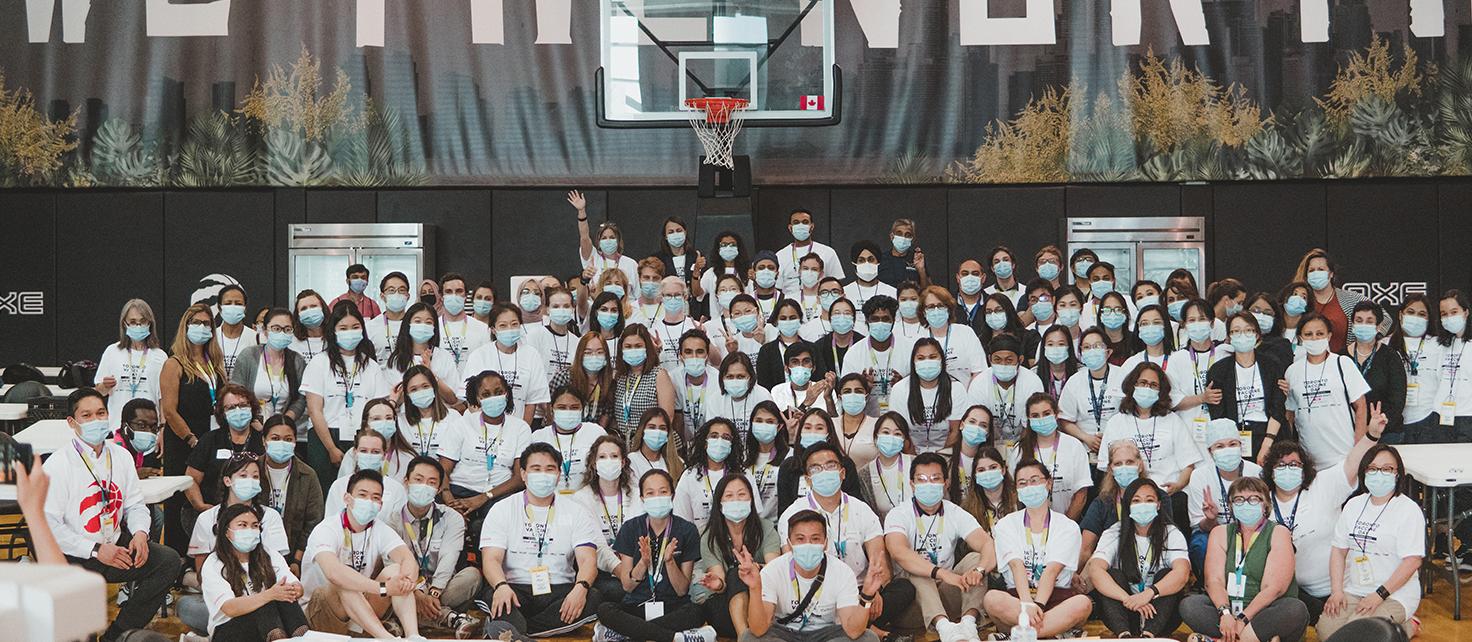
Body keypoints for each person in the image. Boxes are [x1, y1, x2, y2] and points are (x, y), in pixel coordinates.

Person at [46, 388, 182, 642]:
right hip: (75, 555)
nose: (96, 420)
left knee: (168, 561)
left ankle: (118, 635)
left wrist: (141, 533)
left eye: (100, 413)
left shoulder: (120, 456)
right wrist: (96, 549)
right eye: (86, 415)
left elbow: (135, 503)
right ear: (72, 423)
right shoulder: (58, 464)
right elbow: (50, 527)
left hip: (115, 545)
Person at [776, 443, 914, 637]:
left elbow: (879, 559)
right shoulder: (792, 515)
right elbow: (791, 567)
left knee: (904, 588)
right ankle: (866, 629)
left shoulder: (861, 509)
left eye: (831, 465)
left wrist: (874, 590)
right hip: (817, 593)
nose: (824, 472)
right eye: (816, 468)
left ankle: (848, 627)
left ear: (842, 473)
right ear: (808, 479)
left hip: (861, 589)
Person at [479, 442, 603, 638]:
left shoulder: (576, 511)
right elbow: (491, 559)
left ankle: (514, 633)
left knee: (593, 597)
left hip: (559, 590)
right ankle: (519, 631)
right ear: (523, 474)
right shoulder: (502, 509)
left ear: (558, 474)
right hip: (514, 588)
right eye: (536, 469)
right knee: (495, 597)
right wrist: (501, 586)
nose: (543, 474)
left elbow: (588, 561)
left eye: (550, 469)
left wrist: (581, 588)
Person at [882, 452, 995, 641]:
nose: (929, 484)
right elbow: (898, 551)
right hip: (912, 604)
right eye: (922, 479)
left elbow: (987, 543)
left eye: (935, 479)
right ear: (912, 484)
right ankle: (944, 628)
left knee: (975, 560)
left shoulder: (954, 512)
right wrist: (941, 573)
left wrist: (979, 570)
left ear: (946, 483)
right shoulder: (898, 514)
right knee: (917, 569)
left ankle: (968, 624)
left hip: (947, 593)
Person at [1180, 477, 1308, 642]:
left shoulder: (1278, 532)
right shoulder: (1220, 533)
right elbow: (1214, 580)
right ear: (1231, 506)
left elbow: (1274, 588)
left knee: (1294, 609)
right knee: (1190, 606)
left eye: (1254, 499)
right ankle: (1253, 639)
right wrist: (1225, 614)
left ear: (1265, 505)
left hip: (1264, 614)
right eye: (1239, 499)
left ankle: (1224, 639)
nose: (1246, 504)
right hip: (1228, 614)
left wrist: (1243, 619)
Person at [1316, 445, 1425, 639]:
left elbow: (1413, 561)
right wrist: (1337, 591)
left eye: (1387, 469)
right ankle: (1399, 625)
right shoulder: (1353, 505)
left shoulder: (1408, 509)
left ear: (1398, 474)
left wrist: (1378, 595)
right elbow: (1338, 550)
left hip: (1394, 594)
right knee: (1326, 632)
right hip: (1356, 589)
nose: (1379, 474)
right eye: (1373, 468)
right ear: (1364, 472)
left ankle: (1403, 627)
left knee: (1358, 633)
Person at [594, 468, 715, 642]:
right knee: (605, 609)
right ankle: (673, 638)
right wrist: (643, 563)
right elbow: (627, 586)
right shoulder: (630, 528)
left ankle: (631, 635)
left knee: (697, 612)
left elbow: (682, 590)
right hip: (637, 605)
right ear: (642, 498)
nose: (657, 497)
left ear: (672, 495)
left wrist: (670, 562)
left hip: (673, 606)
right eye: (650, 493)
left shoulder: (687, 530)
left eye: (663, 491)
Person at [300, 468, 423, 638]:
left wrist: (407, 581)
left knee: (396, 571)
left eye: (375, 498)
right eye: (363, 495)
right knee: (344, 581)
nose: (369, 501)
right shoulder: (326, 529)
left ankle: (413, 636)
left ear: (380, 505)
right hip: (321, 611)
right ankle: (385, 638)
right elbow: (333, 573)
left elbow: (406, 558)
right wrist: (383, 588)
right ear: (347, 498)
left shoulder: (379, 528)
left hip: (360, 609)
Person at [179, 452, 290, 635]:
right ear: (228, 481)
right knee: (186, 606)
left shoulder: (270, 517)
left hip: (264, 596)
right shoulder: (207, 519)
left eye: (255, 477)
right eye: (243, 476)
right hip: (224, 599)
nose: (250, 481)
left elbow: (278, 569)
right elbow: (202, 575)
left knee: (277, 608)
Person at [983, 460, 1093, 638]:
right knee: (992, 599)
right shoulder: (1005, 524)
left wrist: (1039, 606)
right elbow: (1016, 566)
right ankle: (1053, 633)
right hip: (1018, 599)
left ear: (1048, 484)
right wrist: (1027, 605)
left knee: (1082, 603)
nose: (1029, 487)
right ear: (1016, 490)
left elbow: (1052, 571)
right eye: (1022, 483)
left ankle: (1020, 635)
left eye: (1035, 480)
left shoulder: (1068, 526)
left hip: (1056, 598)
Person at [741, 509, 878, 642]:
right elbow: (758, 629)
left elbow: (853, 632)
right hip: (784, 633)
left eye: (815, 538)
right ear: (789, 544)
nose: (808, 544)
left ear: (825, 543)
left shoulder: (843, 572)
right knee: (749, 637)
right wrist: (755, 588)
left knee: (868, 638)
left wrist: (866, 596)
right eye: (800, 539)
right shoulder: (773, 570)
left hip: (827, 634)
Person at [388, 456, 483, 637]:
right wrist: (417, 593)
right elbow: (391, 562)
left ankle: (405, 619)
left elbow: (449, 557)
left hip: (442, 586)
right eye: (418, 480)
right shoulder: (393, 519)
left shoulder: (452, 518)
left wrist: (433, 593)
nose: (424, 486)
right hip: (407, 587)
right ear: (406, 482)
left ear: (439, 489)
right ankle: (448, 618)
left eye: (431, 482)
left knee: (472, 576)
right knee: (392, 577)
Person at [160, 303, 226, 556]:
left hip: (211, 439)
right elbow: (169, 411)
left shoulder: (215, 363)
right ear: (185, 327)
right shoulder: (174, 364)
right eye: (195, 323)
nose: (201, 328)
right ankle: (177, 561)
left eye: (206, 323)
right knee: (179, 500)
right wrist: (190, 439)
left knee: (207, 495)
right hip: (183, 441)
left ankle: (207, 555)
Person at [1086, 478, 1190, 638]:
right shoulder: (1114, 532)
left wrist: (1148, 594)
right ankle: (1124, 636)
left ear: (1159, 505)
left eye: (1149, 500)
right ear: (1127, 506)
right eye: (1136, 500)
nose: (1143, 505)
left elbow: (1182, 573)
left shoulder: (1171, 533)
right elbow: (1095, 570)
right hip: (1125, 610)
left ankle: (1149, 635)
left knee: (1167, 574)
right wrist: (1128, 599)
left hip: (1159, 610)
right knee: (1113, 575)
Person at [301, 304, 388, 489]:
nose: (350, 333)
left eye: (355, 327)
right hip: (325, 437)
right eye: (343, 328)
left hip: (362, 437)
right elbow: (314, 410)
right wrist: (331, 448)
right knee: (327, 491)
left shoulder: (370, 365)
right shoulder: (319, 362)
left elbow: (378, 407)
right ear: (333, 331)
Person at [199, 503, 309, 642]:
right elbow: (229, 608)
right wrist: (269, 595)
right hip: (228, 630)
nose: (250, 530)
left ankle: (303, 637)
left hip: (268, 623)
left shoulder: (269, 554)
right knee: (265, 603)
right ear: (226, 531)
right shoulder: (214, 563)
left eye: (255, 526)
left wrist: (295, 589)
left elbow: (292, 582)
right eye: (242, 525)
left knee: (285, 599)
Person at [693, 474, 784, 638]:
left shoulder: (766, 528)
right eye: (729, 496)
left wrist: (754, 568)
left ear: (751, 499)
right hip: (725, 605)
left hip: (762, 602)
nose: (736, 500)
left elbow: (774, 569)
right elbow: (720, 579)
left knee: (741, 572)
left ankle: (744, 637)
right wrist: (718, 584)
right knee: (735, 574)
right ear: (720, 505)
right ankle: (745, 636)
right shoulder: (710, 537)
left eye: (742, 494)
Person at [1098, 363, 1200, 506]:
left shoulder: (1172, 420)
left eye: (1153, 385)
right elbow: (1107, 468)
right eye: (1143, 383)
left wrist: (1178, 485)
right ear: (1132, 385)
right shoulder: (1116, 423)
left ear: (1161, 392)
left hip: (1168, 496)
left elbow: (1189, 465)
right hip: (1128, 497)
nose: (1147, 388)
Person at [440, 369, 532, 525]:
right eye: (486, 394)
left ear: (507, 394)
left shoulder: (520, 428)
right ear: (478, 398)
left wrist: (483, 497)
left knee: (495, 521)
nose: (493, 398)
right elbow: (443, 470)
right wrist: (450, 502)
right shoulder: (461, 425)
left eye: (498, 392)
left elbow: (519, 478)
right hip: (459, 490)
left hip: (498, 493)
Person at [1284, 312, 1369, 470]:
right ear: (1300, 338)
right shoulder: (1292, 371)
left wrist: (1359, 448)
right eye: (1308, 334)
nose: (1315, 338)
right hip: (1309, 460)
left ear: (1329, 336)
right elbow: (1289, 414)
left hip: (1344, 455)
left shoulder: (1343, 363)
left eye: (1320, 333)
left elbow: (1361, 405)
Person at [183, 385, 266, 536]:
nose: (238, 411)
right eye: (231, 407)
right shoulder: (210, 440)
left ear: (252, 407)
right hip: (212, 512)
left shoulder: (262, 441)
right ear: (223, 413)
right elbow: (190, 479)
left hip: (252, 514)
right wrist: (201, 506)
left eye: (243, 405)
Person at [572, 435, 644, 606]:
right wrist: (624, 574)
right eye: (602, 457)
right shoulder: (581, 498)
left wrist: (632, 573)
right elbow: (596, 547)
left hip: (636, 566)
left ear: (623, 462)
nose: (609, 461)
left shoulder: (637, 495)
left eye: (614, 456)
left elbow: (641, 536)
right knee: (615, 592)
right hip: (603, 571)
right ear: (594, 464)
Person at [1206, 313, 1288, 462]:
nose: (1242, 335)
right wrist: (1230, 445)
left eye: (1248, 330)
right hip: (1233, 439)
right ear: (1229, 337)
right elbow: (1218, 414)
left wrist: (1267, 445)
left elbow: (1278, 408)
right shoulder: (1219, 370)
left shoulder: (1272, 365)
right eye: (1236, 331)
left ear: (1257, 335)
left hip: (1270, 435)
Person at [1186, 419, 1264, 572]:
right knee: (1200, 544)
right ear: (1210, 451)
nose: (1227, 450)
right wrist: (1211, 519)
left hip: (1252, 530)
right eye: (1219, 446)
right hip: (1214, 530)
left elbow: (1265, 518)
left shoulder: (1256, 473)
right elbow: (1200, 525)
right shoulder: (1199, 476)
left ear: (1241, 446)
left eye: (1232, 444)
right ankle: (1211, 585)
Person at [462, 303, 552, 425]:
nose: (509, 329)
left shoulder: (531, 355)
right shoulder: (479, 355)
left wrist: (522, 430)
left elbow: (532, 401)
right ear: (493, 329)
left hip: (518, 427)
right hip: (484, 427)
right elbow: (471, 400)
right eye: (503, 325)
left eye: (514, 324)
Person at [1164, 299, 1230, 463]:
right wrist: (1202, 398)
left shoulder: (1225, 353)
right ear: (1184, 325)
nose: (1197, 324)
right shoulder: (1177, 359)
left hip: (1223, 432)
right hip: (1189, 432)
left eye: (1202, 319)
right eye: (1191, 320)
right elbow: (1171, 400)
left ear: (1212, 323)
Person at [260, 415, 324, 576]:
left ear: (295, 442)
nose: (281, 443)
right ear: (264, 441)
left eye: (288, 439)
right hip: (255, 553)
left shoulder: (308, 475)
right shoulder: (251, 470)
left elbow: (313, 522)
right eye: (275, 438)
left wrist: (297, 561)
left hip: (293, 555)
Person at [1010, 393, 1092, 519]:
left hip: (1068, 522)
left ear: (1056, 414)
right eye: (1035, 416)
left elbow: (1081, 495)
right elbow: (1013, 492)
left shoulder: (1074, 446)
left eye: (1046, 413)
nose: (1041, 419)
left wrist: (1064, 526)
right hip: (1030, 524)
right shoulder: (1019, 450)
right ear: (1028, 419)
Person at [95, 298, 169, 428]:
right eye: (133, 322)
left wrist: (163, 428)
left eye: (143, 321)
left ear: (150, 323)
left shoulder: (160, 356)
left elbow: (163, 399)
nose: (138, 326)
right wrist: (104, 386)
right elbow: (99, 392)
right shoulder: (112, 351)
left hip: (149, 429)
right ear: (125, 324)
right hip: (117, 427)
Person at [966, 334, 1045, 450]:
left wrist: (1019, 451)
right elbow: (977, 424)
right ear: (989, 359)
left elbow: (1031, 425)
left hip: (1025, 443)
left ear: (1020, 360)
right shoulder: (979, 383)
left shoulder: (1032, 382)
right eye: (997, 360)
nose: (1003, 365)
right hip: (987, 443)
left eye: (1009, 360)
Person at [887, 338, 964, 453]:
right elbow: (900, 431)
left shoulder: (956, 388)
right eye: (921, 358)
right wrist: (914, 460)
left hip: (947, 455)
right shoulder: (900, 389)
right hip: (910, 454)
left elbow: (955, 431)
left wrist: (942, 459)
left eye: (932, 357)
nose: (927, 362)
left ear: (942, 360)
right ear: (913, 362)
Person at [230, 307, 307, 422]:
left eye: (287, 329)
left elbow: (301, 398)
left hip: (283, 427)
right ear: (265, 331)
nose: (282, 333)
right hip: (251, 423)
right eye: (276, 328)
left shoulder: (297, 360)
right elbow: (236, 392)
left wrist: (286, 421)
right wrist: (253, 421)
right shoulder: (249, 355)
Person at [1057, 327, 1121, 459]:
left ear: (1108, 352)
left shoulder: (1123, 376)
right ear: (1081, 353)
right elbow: (1064, 420)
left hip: (1118, 447)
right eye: (1086, 347)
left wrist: (1111, 439)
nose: (1092, 351)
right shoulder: (1074, 381)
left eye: (1097, 346)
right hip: (1084, 450)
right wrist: (1086, 438)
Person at [530, 386, 606, 495]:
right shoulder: (538, 437)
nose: (568, 412)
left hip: (588, 499)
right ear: (552, 409)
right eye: (562, 407)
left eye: (574, 407)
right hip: (549, 498)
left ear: (582, 409)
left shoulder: (595, 432)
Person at [1347, 302, 1407, 439]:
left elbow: (1397, 400)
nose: (1363, 325)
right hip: (1349, 433)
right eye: (1359, 321)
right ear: (1353, 325)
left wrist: (1374, 427)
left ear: (1378, 326)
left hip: (1385, 432)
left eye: (1369, 321)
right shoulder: (1340, 357)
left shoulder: (1390, 357)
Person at [383, 303, 463, 405]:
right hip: (406, 417)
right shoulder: (396, 360)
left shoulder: (443, 356)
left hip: (440, 417)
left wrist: (431, 375)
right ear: (408, 325)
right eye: (417, 321)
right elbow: (394, 401)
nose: (423, 326)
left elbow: (452, 399)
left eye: (428, 322)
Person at [1295, 248, 1372, 353]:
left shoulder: (1350, 299)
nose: (1316, 273)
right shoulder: (1300, 301)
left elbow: (1385, 319)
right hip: (1308, 362)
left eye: (1321, 269)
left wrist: (1370, 341)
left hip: (1343, 363)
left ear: (1331, 274)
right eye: (1311, 270)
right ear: (1307, 276)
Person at [1388, 293, 1442, 444]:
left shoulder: (1438, 345)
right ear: (1400, 315)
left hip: (1428, 420)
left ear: (1428, 319)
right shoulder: (1386, 345)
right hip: (1395, 424)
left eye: (1422, 314)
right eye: (1411, 312)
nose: (1416, 318)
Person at [840, 296, 907, 416]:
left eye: (885, 319)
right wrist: (864, 388)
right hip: (867, 420)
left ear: (893, 321)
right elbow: (846, 396)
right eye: (875, 319)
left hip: (901, 419)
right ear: (867, 321)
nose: (880, 323)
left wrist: (904, 386)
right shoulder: (853, 354)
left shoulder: (909, 349)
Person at [612, 323, 679, 440]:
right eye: (628, 346)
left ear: (647, 348)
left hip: (653, 441)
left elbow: (667, 417)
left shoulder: (659, 375)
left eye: (638, 346)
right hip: (626, 442)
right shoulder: (619, 377)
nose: (633, 350)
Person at [325, 429, 410, 517]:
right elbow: (330, 521)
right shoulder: (339, 486)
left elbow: (400, 525)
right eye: (363, 451)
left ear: (384, 456)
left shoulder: (396, 489)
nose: (369, 455)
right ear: (355, 453)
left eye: (375, 452)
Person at [910, 285, 985, 383]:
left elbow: (979, 372)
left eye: (940, 306)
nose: (936, 310)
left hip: (964, 395)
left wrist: (966, 396)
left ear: (949, 309)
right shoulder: (917, 338)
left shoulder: (966, 333)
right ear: (923, 312)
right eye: (931, 307)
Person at [854, 412, 916, 520]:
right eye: (886, 432)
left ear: (904, 439)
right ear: (876, 436)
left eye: (897, 434)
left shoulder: (915, 464)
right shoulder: (864, 474)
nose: (891, 438)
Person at [571, 189, 639, 287]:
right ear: (598, 242)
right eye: (604, 238)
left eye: (612, 237)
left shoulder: (631, 263)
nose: (608, 241)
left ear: (618, 241)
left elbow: (637, 294)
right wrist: (581, 212)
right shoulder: (593, 257)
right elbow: (584, 237)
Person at [337, 398, 418, 480]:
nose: (384, 422)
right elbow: (342, 486)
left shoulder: (407, 456)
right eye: (376, 419)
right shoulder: (353, 454)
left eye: (389, 418)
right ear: (366, 424)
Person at [397, 365, 463, 457]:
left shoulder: (453, 417)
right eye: (414, 389)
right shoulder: (400, 421)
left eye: (425, 386)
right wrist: (393, 400)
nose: (420, 392)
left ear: (434, 388)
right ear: (407, 394)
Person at [776, 209, 845, 295]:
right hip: (790, 304)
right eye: (796, 222)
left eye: (805, 222)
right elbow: (777, 288)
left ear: (811, 226)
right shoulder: (780, 255)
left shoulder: (828, 252)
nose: (800, 225)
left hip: (820, 303)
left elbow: (837, 284)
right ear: (790, 228)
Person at [709, 353, 774, 440]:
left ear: (750, 377)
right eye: (730, 377)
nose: (735, 381)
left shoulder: (762, 395)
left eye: (740, 376)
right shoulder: (715, 399)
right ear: (722, 378)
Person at [758, 299, 818, 391]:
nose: (788, 321)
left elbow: (819, 378)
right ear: (776, 321)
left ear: (800, 319)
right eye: (783, 318)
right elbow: (764, 385)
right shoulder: (766, 351)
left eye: (793, 317)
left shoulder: (813, 348)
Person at [438, 272, 492, 372]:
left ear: (466, 295)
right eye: (448, 292)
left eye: (459, 291)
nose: (454, 295)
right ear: (441, 296)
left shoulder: (482, 329)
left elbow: (488, 363)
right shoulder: (434, 327)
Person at [957, 445, 1017, 533]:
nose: (988, 473)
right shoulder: (967, 509)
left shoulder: (1019, 501)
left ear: (1003, 470)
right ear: (975, 475)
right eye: (981, 470)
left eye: (993, 467)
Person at [674, 329, 722, 439]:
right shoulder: (673, 379)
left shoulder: (719, 380)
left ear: (707, 355)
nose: (694, 357)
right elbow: (676, 420)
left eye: (700, 351)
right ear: (680, 356)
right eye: (688, 352)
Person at [746, 402, 789, 518]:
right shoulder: (743, 457)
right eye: (759, 421)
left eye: (770, 422)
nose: (763, 425)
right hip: (749, 524)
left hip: (777, 524)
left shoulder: (790, 456)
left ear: (779, 426)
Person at [568, 330, 616, 428]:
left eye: (599, 352)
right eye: (588, 352)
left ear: (606, 356)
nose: (594, 357)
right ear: (580, 355)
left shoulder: (609, 383)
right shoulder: (565, 377)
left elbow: (605, 419)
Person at [771, 342, 834, 416]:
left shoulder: (825, 390)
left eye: (806, 361)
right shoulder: (777, 391)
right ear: (786, 368)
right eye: (795, 362)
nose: (801, 366)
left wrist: (828, 399)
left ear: (813, 368)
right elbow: (781, 424)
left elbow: (836, 423)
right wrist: (805, 403)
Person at [213, 284, 259, 380]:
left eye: (238, 303)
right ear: (219, 307)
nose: (233, 307)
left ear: (245, 308)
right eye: (228, 303)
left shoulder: (256, 338)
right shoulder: (212, 337)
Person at [629, 407, 688, 482]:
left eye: (662, 428)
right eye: (652, 427)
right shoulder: (631, 461)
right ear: (642, 431)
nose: (657, 432)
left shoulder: (678, 463)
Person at [366, 271, 413, 363]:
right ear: (382, 296)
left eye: (402, 290)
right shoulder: (370, 327)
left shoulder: (415, 324)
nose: (397, 294)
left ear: (408, 296)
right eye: (391, 290)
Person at [114, 399, 163, 476]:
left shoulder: (136, 447)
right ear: (125, 426)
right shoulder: (115, 449)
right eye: (142, 426)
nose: (149, 431)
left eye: (153, 427)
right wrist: (135, 474)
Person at [846, 241, 897, 311]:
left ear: (878, 262)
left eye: (871, 260)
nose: (866, 263)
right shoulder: (845, 293)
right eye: (861, 260)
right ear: (854, 263)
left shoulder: (892, 293)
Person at [877, 218, 927, 289]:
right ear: (892, 236)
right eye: (899, 234)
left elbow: (927, 292)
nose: (903, 238)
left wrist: (921, 270)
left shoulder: (917, 259)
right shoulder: (880, 259)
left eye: (907, 235)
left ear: (912, 239)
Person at [289, 290, 330, 362]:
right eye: (304, 309)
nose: (309, 311)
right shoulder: (291, 342)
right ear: (298, 315)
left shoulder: (335, 338)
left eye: (313, 306)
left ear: (323, 309)